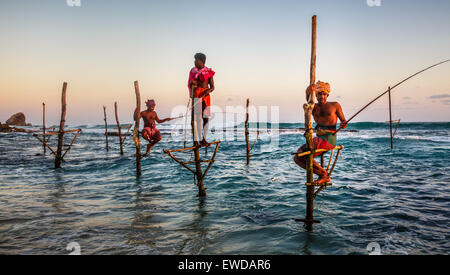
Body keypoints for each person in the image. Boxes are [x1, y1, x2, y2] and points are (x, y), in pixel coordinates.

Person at [294, 81, 348, 184]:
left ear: (328, 95)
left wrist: (343, 124)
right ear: (316, 95)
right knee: (297, 158)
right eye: (319, 94)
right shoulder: (313, 107)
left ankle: (323, 175)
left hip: (329, 138)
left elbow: (344, 122)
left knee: (305, 154)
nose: (322, 97)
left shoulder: (335, 105)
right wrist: (308, 90)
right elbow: (308, 97)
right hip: (318, 138)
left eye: (324, 94)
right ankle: (322, 174)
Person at [188, 53, 215, 146]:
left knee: (206, 118)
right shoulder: (193, 71)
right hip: (197, 95)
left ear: (201, 61)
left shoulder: (208, 72)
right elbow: (191, 83)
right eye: (194, 60)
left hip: (205, 96)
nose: (194, 62)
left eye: (196, 60)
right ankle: (198, 139)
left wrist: (206, 92)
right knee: (197, 118)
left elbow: (212, 87)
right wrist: (193, 83)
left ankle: (204, 138)